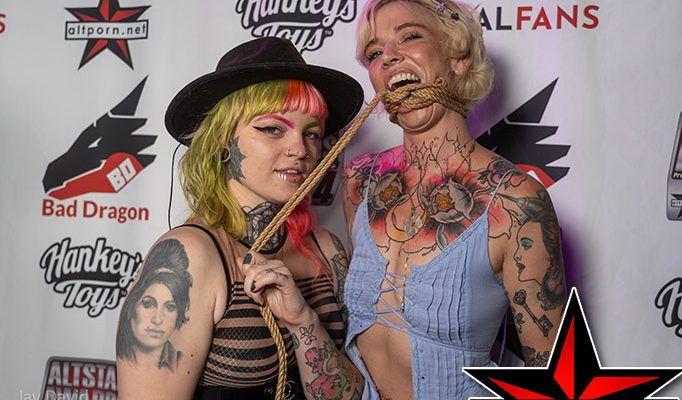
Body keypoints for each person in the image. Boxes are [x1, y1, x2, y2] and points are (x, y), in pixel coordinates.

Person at [116, 37, 366, 400]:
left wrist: (303, 321)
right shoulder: (189, 257)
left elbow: (352, 395)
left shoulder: (328, 250)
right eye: (272, 129)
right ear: (222, 140)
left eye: (311, 133)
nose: (300, 149)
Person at [341, 1, 567, 399]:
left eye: (410, 36)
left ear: (457, 58)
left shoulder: (515, 202)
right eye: (375, 53)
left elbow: (552, 375)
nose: (388, 57)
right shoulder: (360, 179)